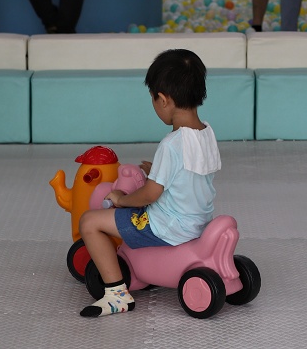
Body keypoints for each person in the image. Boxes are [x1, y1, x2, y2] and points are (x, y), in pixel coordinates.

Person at [77, 48, 221, 318]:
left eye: (153, 100)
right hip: (198, 221)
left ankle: (116, 293)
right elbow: (195, 174)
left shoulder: (171, 144)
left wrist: (121, 200)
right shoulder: (207, 133)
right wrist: (160, 171)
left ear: (164, 100)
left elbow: (150, 195)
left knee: (89, 221)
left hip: (168, 227)